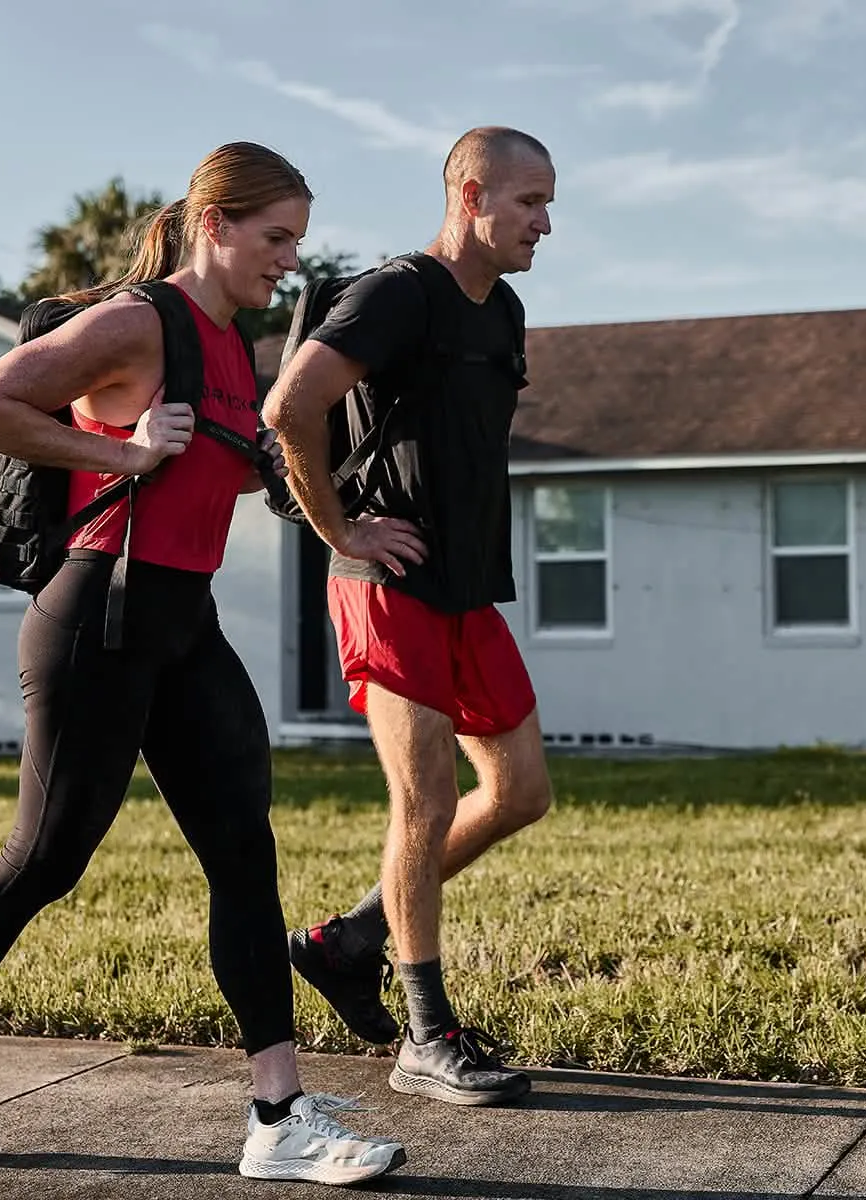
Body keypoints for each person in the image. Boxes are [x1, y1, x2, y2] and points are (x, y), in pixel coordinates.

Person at [0, 142, 405, 1187]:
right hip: (96, 618)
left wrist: (340, 523)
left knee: (244, 850)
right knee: (47, 858)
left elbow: (222, 474)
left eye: (297, 239)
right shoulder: (138, 321)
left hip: (183, 621)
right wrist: (126, 453)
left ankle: (278, 1115)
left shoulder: (235, 347)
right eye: (274, 236)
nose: (288, 258)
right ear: (215, 223)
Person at [263, 126, 556, 1107]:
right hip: (389, 587)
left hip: (469, 587)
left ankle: (351, 940)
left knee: (519, 791)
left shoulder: (503, 311)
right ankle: (428, 1036)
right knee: (424, 804)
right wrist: (340, 532)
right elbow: (290, 408)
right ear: (472, 195)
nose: (545, 224)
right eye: (529, 203)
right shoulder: (396, 293)